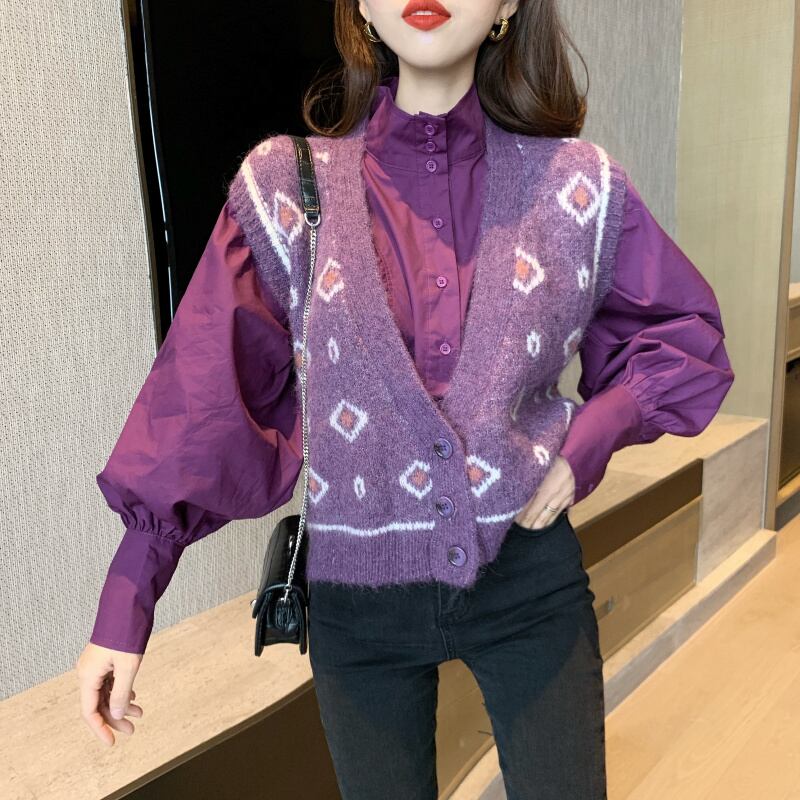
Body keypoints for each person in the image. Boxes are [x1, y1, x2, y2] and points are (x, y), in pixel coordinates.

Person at [77, 1, 735, 797]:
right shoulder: (287, 190)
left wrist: (589, 442)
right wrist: (128, 599)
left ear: (509, 5)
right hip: (357, 605)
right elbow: (203, 392)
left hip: (527, 580)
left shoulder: (577, 186)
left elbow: (681, 335)